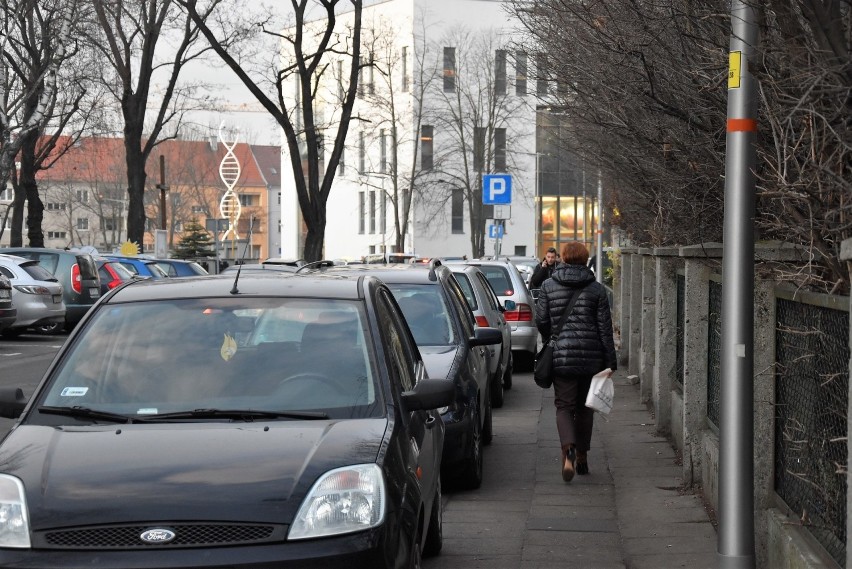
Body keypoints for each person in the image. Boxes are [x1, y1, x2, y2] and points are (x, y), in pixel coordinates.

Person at [536, 241, 617, 482]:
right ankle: (581, 456)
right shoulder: (597, 289)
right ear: (584, 260)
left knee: (564, 406)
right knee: (585, 407)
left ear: (562, 258)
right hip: (592, 357)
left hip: (561, 355)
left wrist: (552, 337)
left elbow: (541, 320)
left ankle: (567, 448)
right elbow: (605, 329)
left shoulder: (549, 286)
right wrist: (610, 362)